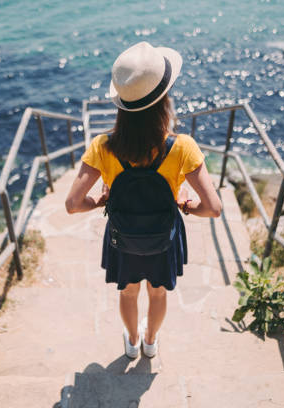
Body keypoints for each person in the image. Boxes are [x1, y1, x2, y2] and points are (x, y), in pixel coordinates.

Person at [65, 41, 222, 359]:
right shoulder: (183, 147)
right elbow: (213, 208)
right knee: (158, 291)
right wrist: (183, 204)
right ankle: (151, 342)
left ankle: (132, 342)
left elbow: (71, 204)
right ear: (164, 100)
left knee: (128, 291)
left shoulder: (102, 146)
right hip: (163, 237)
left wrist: (99, 201)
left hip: (123, 237)